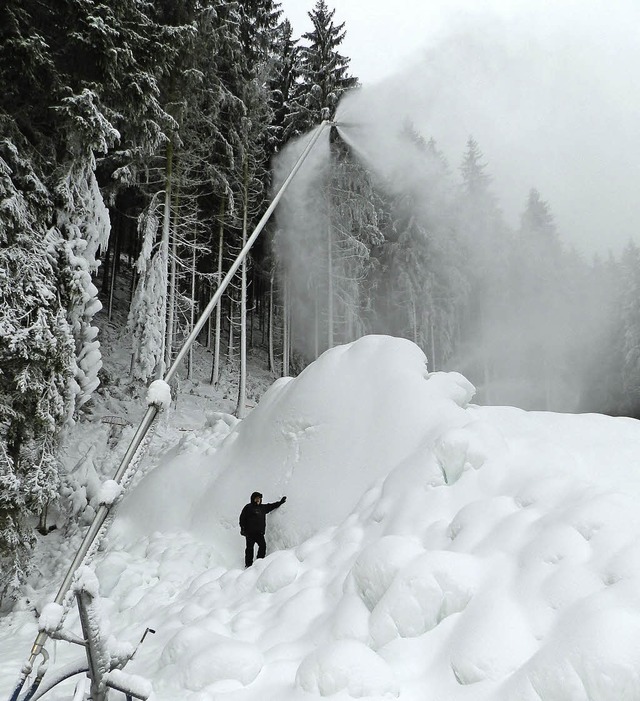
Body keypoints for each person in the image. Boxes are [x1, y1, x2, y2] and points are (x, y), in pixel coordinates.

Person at [239, 491, 286, 567]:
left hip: (259, 533)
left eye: (259, 499)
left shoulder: (263, 508)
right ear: (253, 499)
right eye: (256, 498)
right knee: (249, 549)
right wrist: (243, 529)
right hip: (250, 533)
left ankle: (259, 562)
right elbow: (242, 519)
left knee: (263, 546)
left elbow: (272, 506)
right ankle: (248, 565)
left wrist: (280, 502)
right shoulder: (248, 507)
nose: (258, 500)